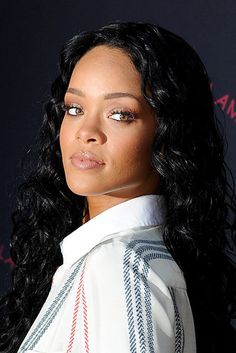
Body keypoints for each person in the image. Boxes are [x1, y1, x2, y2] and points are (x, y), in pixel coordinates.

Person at [0, 21, 236, 353]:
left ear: (169, 136)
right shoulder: (131, 258)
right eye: (75, 108)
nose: (86, 131)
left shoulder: (119, 267)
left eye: (120, 114)